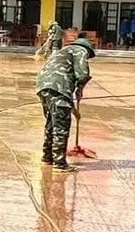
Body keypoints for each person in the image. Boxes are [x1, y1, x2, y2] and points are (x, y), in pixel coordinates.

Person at [37, 35, 94, 171]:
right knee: (61, 127)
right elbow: (82, 74)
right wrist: (80, 88)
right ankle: (59, 163)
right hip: (59, 87)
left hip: (43, 87)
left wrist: (74, 111)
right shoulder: (80, 50)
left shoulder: (62, 51)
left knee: (52, 123)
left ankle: (47, 157)